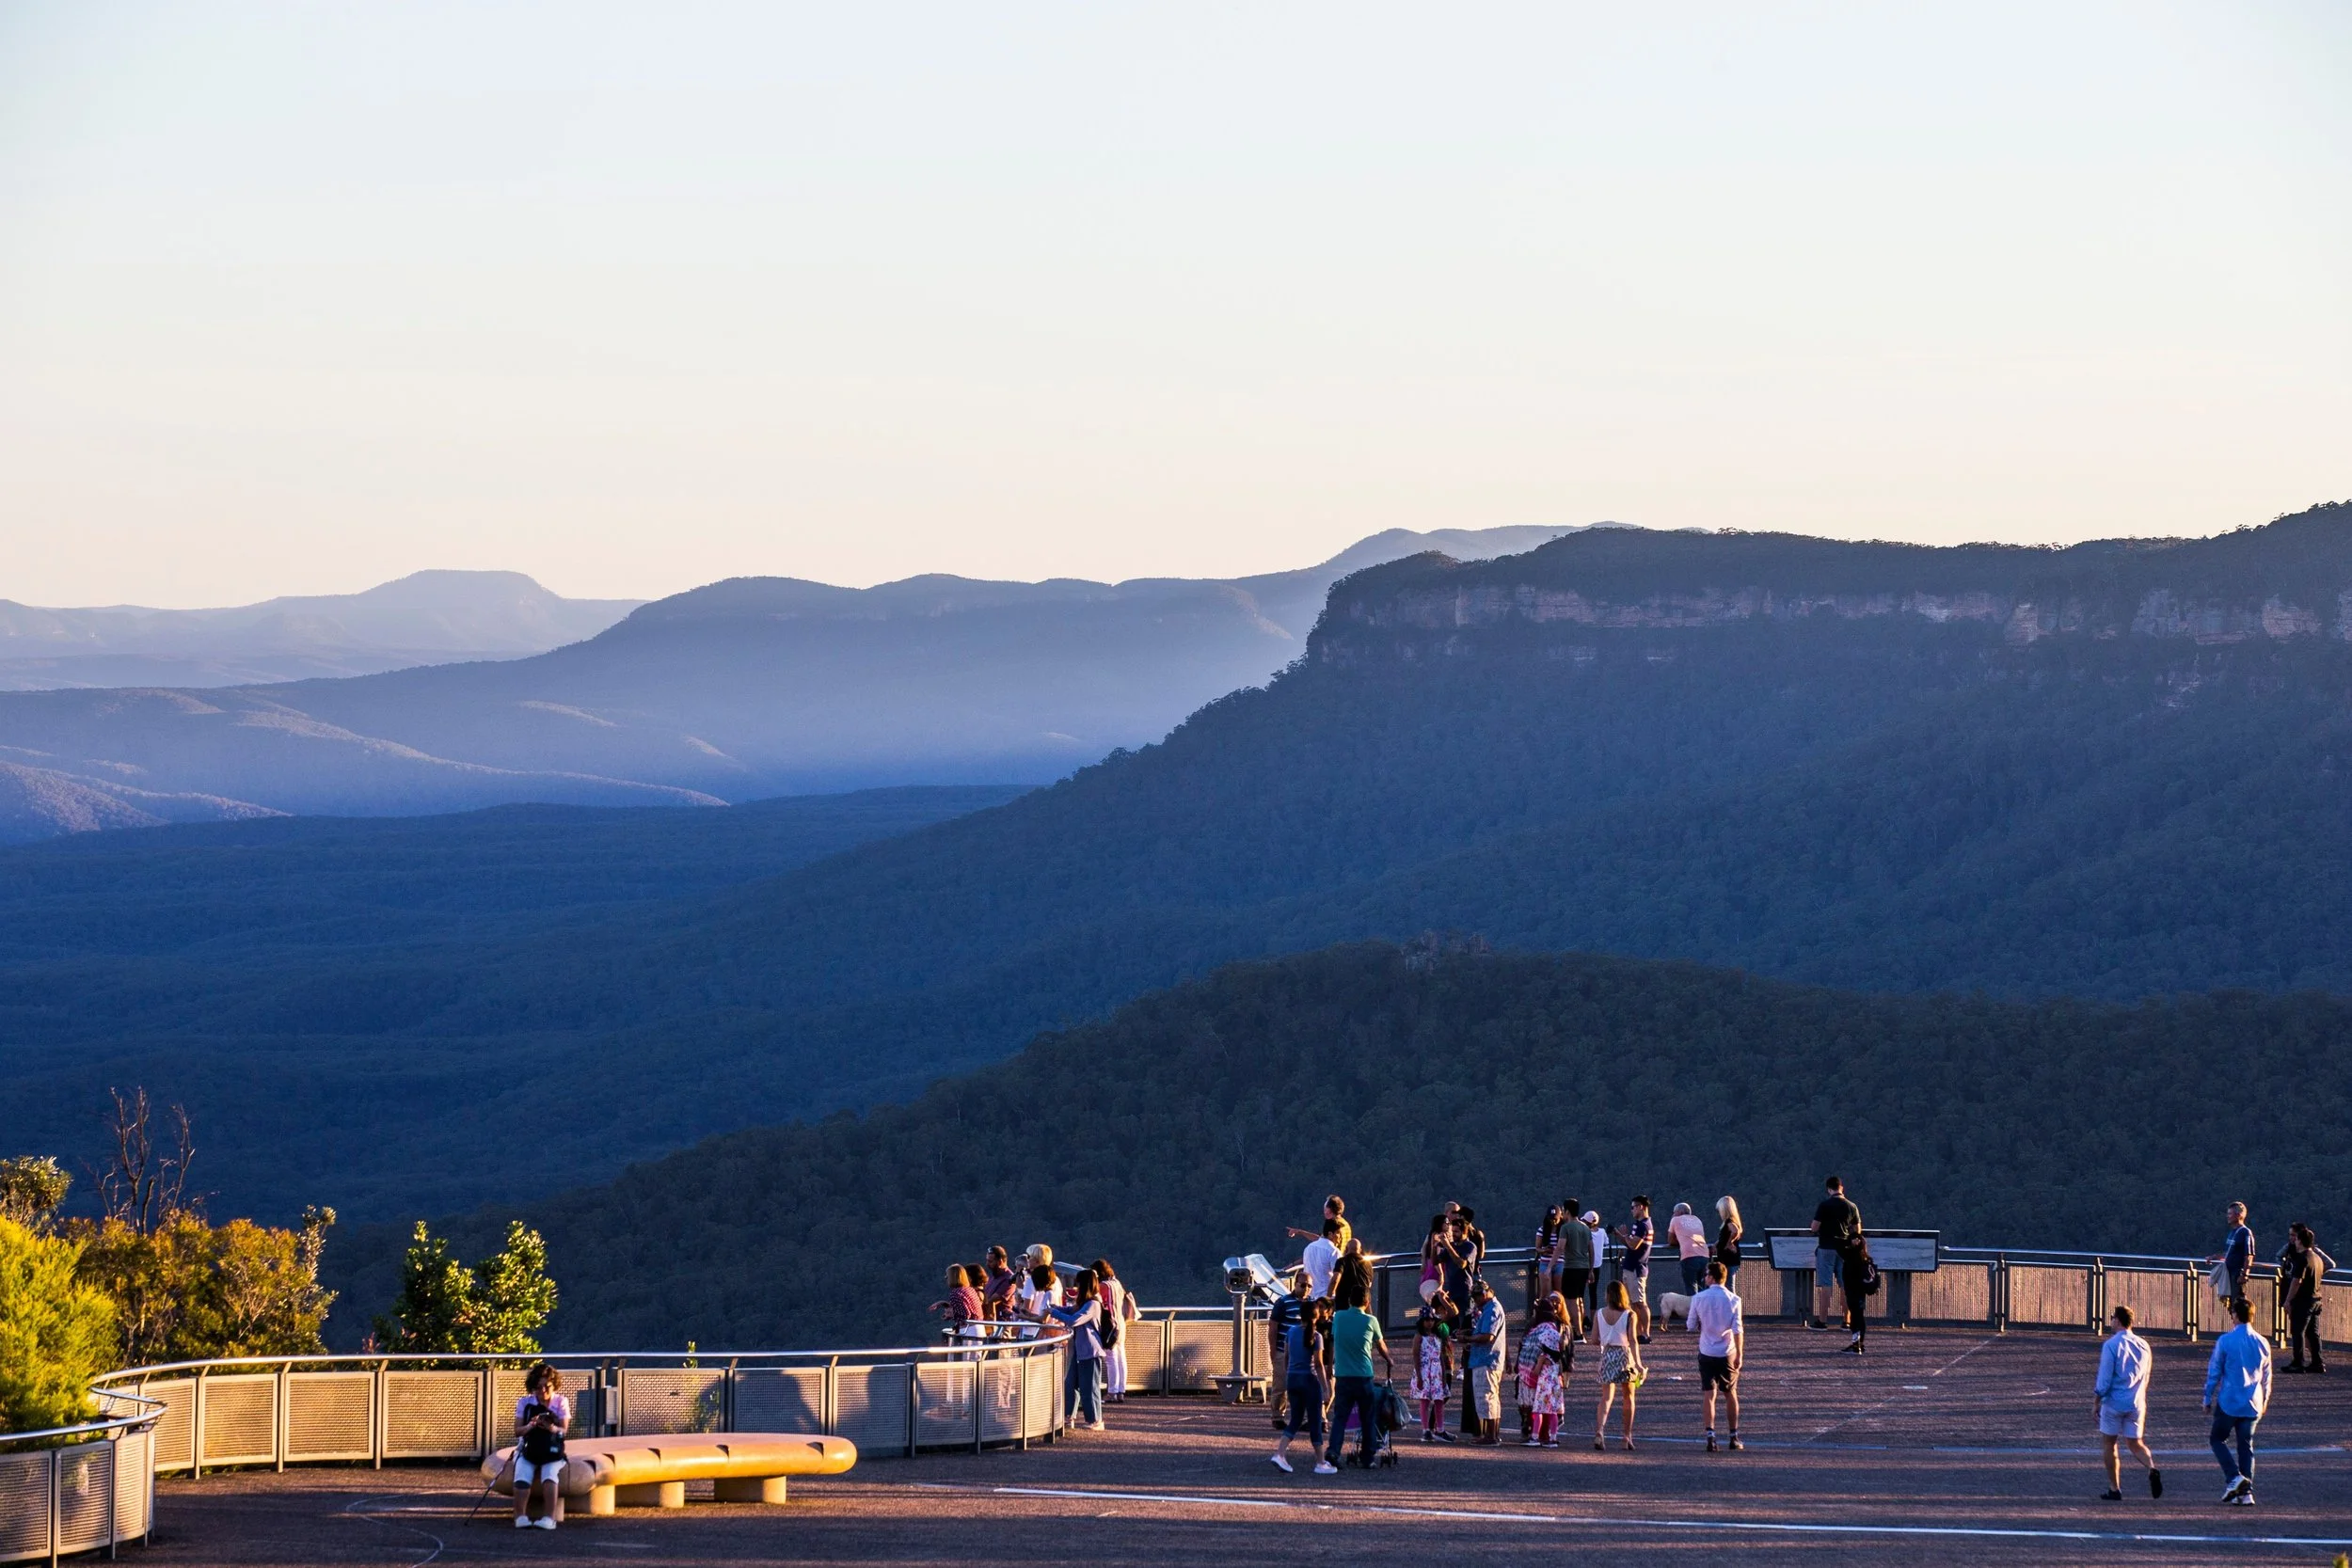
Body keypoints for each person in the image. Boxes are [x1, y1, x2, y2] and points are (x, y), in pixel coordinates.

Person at [2202, 1295, 2273, 1505]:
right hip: (2253, 1401)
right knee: (2246, 1446)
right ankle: (2246, 1492)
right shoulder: (2262, 1342)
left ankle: (2234, 1478)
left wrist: (2207, 1397)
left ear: (2235, 1315)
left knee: (2217, 1439)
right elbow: (2267, 1375)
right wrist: (2266, 1398)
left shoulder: (2225, 1341)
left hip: (2229, 1401)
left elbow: (2214, 1371)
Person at [1324, 1280, 1393, 1471]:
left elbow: (1333, 1340)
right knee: (1367, 1417)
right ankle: (1368, 1456)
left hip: (1343, 1375)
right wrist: (1389, 1360)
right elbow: (1381, 1346)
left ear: (1349, 1300)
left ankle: (1333, 1451)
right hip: (1363, 1375)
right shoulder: (1371, 1321)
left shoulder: (1338, 1318)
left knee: (1340, 1417)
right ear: (1367, 1301)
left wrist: (1330, 1366)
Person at [2093, 1305, 2161, 1501]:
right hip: (2136, 1401)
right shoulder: (2143, 1345)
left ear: (2118, 1320)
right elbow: (2146, 1375)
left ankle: (2115, 1488)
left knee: (2109, 1443)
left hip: (2114, 1402)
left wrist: (2096, 1401)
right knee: (2135, 1443)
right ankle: (2152, 1467)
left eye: (2113, 1318)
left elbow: (2104, 1379)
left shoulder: (2112, 1345)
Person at [1271, 1296, 1332, 1473]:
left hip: (1293, 1379)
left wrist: (1288, 1373)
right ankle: (1320, 1462)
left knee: (1295, 1419)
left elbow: (1287, 1356)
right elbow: (1319, 1364)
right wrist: (1325, 1388)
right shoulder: (1317, 1336)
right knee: (1315, 1421)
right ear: (1317, 1316)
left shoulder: (1291, 1332)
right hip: (1309, 1380)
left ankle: (1280, 1454)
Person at [1688, 1260, 1744, 1453]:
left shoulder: (1698, 1298)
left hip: (1706, 1351)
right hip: (1727, 1352)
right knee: (1730, 1393)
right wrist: (1740, 1354)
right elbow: (1738, 1329)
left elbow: (1690, 1325)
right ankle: (1733, 1436)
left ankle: (1710, 1436)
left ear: (1711, 1277)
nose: (1704, 1278)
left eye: (1706, 1275)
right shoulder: (1734, 1299)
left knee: (1709, 1395)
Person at [1043, 1268, 1107, 1430]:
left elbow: (1073, 1320)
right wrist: (1056, 1308)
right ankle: (1069, 1415)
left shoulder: (1093, 1304)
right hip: (1079, 1350)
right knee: (1071, 1384)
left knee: (1089, 1387)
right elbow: (1070, 1311)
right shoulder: (1084, 1303)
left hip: (1090, 1351)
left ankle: (1095, 1420)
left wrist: (1053, 1312)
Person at [511, 1362, 569, 1530]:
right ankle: (520, 1516)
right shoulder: (525, 1403)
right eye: (538, 1387)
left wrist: (551, 1427)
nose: (542, 1391)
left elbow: (563, 1431)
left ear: (554, 1385)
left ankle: (549, 1518)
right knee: (522, 1472)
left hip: (552, 1450)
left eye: (547, 1386)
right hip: (529, 1449)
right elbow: (517, 1431)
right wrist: (531, 1426)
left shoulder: (561, 1402)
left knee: (549, 1473)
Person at [1591, 1279, 1645, 1449]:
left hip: (1607, 1354)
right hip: (1624, 1356)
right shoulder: (1630, 1315)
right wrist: (1639, 1364)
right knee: (1628, 1397)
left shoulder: (1599, 1313)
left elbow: (1593, 1340)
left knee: (1606, 1397)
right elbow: (1633, 1340)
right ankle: (1626, 1436)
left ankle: (1600, 1431)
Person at [2279, 1224, 2333, 1375]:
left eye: (2296, 1239)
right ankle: (2317, 1362)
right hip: (2316, 1299)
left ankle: (2298, 1362)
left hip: (2303, 1301)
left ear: (2301, 1241)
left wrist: (2288, 1300)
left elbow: (2297, 1281)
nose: (2294, 1241)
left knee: (2298, 1331)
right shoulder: (2316, 1258)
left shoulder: (2302, 1259)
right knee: (2313, 1333)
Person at [1810, 1177, 1862, 1331]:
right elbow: (1857, 1230)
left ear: (1829, 1189)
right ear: (1842, 1188)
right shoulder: (1852, 1206)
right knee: (1845, 1286)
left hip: (1826, 1247)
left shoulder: (1824, 1205)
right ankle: (1847, 1321)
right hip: (1845, 1249)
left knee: (1826, 1285)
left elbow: (1814, 1227)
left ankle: (1822, 1321)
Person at [1519, 1291, 1571, 1448]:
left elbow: (1535, 1371)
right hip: (1555, 1382)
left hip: (1543, 1383)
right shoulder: (1555, 1354)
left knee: (1538, 1410)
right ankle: (1552, 1437)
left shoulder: (1543, 1352)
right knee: (1553, 1411)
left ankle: (1535, 1437)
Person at [1464, 1276, 1507, 1445]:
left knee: (1486, 1397)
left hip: (1486, 1360)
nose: (1475, 1302)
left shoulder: (1492, 1309)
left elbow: (1488, 1336)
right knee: (1492, 1397)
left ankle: (1490, 1436)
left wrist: (1468, 1339)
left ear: (1485, 1294)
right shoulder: (1491, 1308)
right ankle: (1493, 1434)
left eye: (1477, 1298)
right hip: (1491, 1360)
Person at [1266, 1271, 1312, 1429]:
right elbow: (1273, 1326)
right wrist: (1273, 1350)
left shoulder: (1312, 1304)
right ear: (1295, 1284)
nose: (1306, 1288)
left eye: (1309, 1286)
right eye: (1303, 1285)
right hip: (1282, 1350)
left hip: (1305, 1353)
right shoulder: (1283, 1303)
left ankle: (1306, 1418)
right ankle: (1277, 1417)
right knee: (1280, 1385)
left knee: (1306, 1386)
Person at [1409, 1291, 1455, 1442]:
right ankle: (1425, 1430)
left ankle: (1440, 1429)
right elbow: (1416, 1355)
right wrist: (1419, 1376)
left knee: (1439, 1400)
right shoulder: (1419, 1337)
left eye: (1431, 1320)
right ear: (1421, 1321)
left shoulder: (1437, 1336)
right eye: (1426, 1320)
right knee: (1424, 1400)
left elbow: (1440, 1355)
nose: (1429, 1322)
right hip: (1424, 1370)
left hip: (1436, 1370)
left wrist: (1442, 1375)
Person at [1093, 1258, 1137, 1402]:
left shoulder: (1104, 1286)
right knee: (1120, 1357)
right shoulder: (1117, 1283)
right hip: (1121, 1323)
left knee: (1111, 1359)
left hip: (1110, 1325)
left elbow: (1096, 1300)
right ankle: (1120, 1391)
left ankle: (1112, 1391)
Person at [1612, 1196, 1656, 1342]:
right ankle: (1639, 1332)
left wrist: (1624, 1235)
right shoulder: (1643, 1224)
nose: (1632, 1210)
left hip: (1636, 1268)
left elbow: (1633, 1245)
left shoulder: (1642, 1225)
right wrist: (1619, 1234)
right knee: (1634, 1302)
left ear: (1641, 1207)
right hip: (1633, 1267)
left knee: (1640, 1302)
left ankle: (1645, 1333)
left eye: (1633, 1207)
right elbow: (1630, 1243)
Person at [2205, 1202, 2254, 1317]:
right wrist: (2213, 1257)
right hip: (2228, 1274)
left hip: (2237, 1275)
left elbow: (2249, 1255)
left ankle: (2241, 1330)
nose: (2227, 1216)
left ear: (2238, 1215)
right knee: (2232, 1305)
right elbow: (2229, 1252)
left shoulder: (2245, 1232)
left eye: (2230, 1214)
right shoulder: (2232, 1233)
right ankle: (2236, 1327)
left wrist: (2244, 1274)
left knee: (2239, 1305)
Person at [1558, 1199, 1595, 1338]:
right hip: (1584, 1268)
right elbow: (1591, 1249)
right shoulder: (1585, 1227)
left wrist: (1550, 1267)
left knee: (1570, 1301)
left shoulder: (1566, 1228)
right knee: (1579, 1300)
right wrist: (1591, 1270)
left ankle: (1578, 1333)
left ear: (1567, 1211)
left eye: (1563, 1210)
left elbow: (1560, 1247)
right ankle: (1580, 1330)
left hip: (1571, 1268)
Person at [1668, 1202, 1710, 1301]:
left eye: (1674, 1212)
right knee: (1702, 1288)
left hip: (1689, 1256)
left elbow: (1670, 1240)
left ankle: (1694, 1314)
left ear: (1680, 1212)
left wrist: (1681, 1241)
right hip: (1705, 1255)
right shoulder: (1697, 1219)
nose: (1673, 1214)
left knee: (1691, 1288)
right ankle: (1705, 1313)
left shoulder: (1675, 1220)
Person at [1842, 1237, 1877, 1354]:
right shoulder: (1866, 1260)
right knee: (1860, 1317)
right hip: (1861, 1292)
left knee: (1855, 1319)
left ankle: (1855, 1345)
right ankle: (1860, 1343)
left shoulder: (1851, 1259)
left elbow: (1839, 1246)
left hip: (1853, 1292)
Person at [930, 1265, 984, 1339]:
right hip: (979, 1329)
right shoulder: (970, 1290)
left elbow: (965, 1315)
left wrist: (951, 1316)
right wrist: (943, 1303)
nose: (946, 1279)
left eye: (947, 1277)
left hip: (968, 1332)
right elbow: (965, 1308)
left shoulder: (955, 1293)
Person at [1288, 1195, 1352, 1251]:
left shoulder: (1333, 1226)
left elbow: (1321, 1241)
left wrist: (1300, 1232)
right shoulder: (1346, 1224)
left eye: (1325, 1208)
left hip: (1334, 1263)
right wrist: (1300, 1232)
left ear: (1328, 1210)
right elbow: (1322, 1240)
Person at [1301, 1216, 1343, 1301]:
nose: (1340, 1237)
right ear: (1330, 1234)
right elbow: (1336, 1278)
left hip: (1309, 1296)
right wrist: (1329, 1298)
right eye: (1338, 1233)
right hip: (1325, 1297)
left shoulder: (1308, 1247)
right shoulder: (1334, 1251)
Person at [1534, 1205, 1567, 1309]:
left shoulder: (1563, 1230)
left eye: (1555, 1219)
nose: (1553, 1221)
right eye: (1551, 1219)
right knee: (1545, 1293)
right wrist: (1544, 1250)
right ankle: (1542, 1314)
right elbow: (1537, 1248)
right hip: (1545, 1262)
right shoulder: (1542, 1230)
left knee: (1559, 1293)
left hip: (1560, 1262)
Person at [1712, 1196, 1744, 1297]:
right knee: (1727, 1285)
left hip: (1729, 1259)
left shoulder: (1729, 1221)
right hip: (1728, 1259)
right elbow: (1724, 1237)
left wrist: (1729, 1243)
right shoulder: (1729, 1221)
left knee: (1729, 1286)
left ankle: (1733, 1309)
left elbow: (1735, 1231)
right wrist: (1716, 1245)